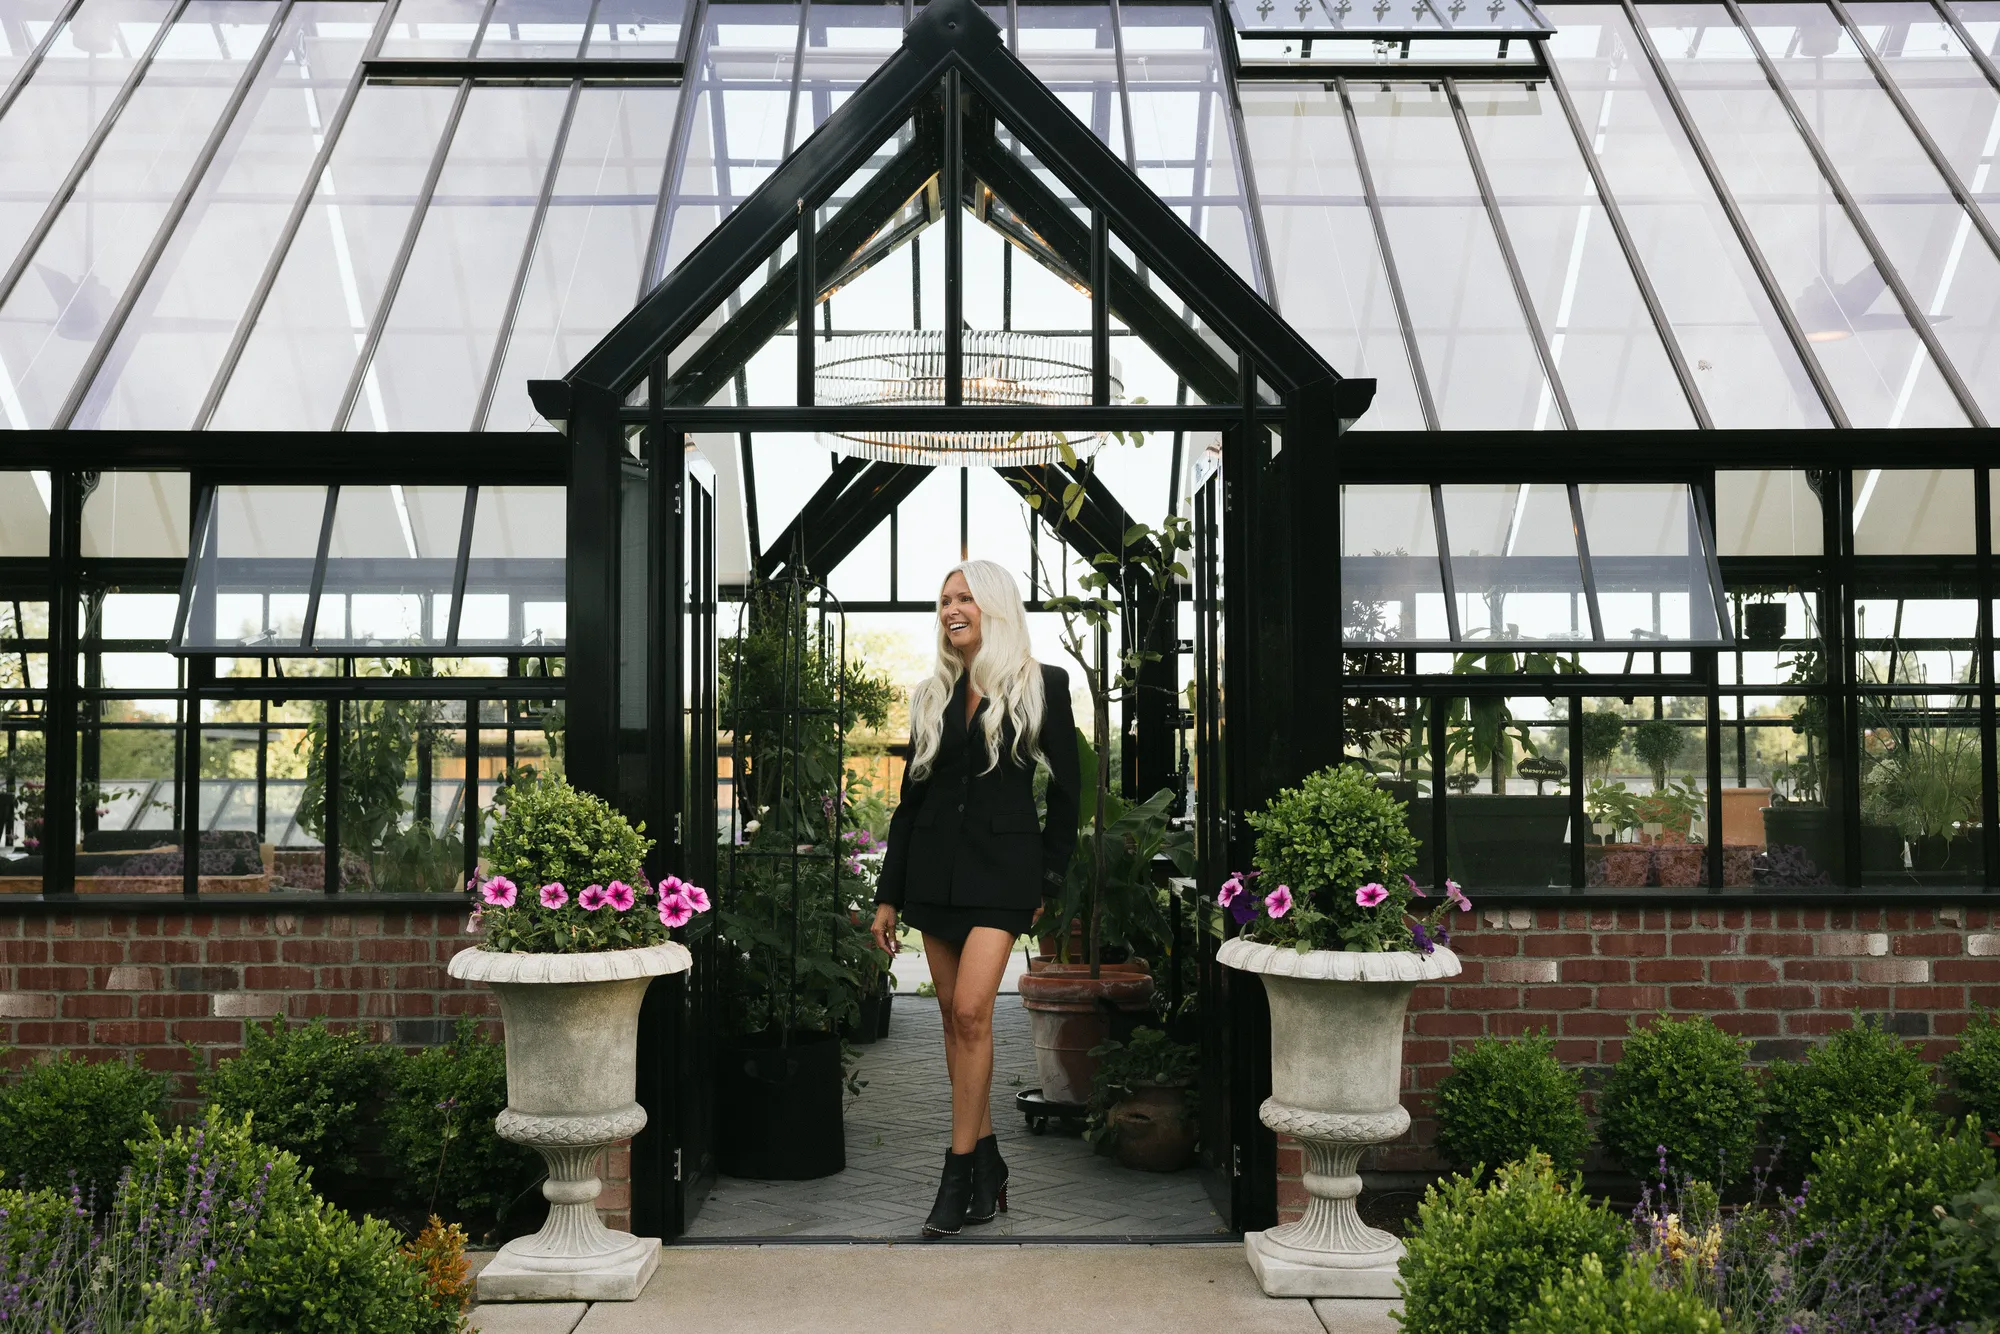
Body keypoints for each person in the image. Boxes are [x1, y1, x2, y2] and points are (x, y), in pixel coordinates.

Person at [871, 559, 1079, 1238]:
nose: (950, 609)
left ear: (992, 606)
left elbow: (1068, 795)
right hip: (933, 876)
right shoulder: (931, 693)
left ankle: (957, 1169)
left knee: (971, 1010)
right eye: (944, 600)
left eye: (963, 598)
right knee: (954, 1025)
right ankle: (989, 1169)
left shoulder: (1042, 684)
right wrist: (888, 895)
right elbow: (910, 805)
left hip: (1003, 876)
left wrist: (1048, 880)